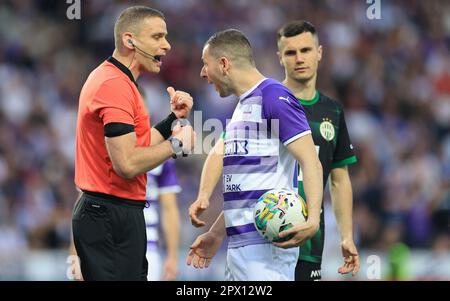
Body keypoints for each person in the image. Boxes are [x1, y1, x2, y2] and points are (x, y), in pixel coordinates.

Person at [186, 29, 323, 281]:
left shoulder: (274, 97)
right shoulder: (243, 107)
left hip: (266, 251)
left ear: (224, 64)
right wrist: (217, 232)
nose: (203, 73)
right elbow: (230, 166)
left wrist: (313, 218)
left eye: (206, 65)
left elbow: (310, 161)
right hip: (240, 248)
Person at [72, 6, 195, 281]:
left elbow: (138, 145)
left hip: (114, 213)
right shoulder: (113, 85)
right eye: (157, 36)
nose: (167, 44)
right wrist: (176, 146)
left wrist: (171, 121)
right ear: (130, 41)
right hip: (109, 215)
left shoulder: (120, 82)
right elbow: (127, 164)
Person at [277, 20, 359, 280]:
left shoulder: (332, 111)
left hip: (310, 244)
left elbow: (339, 178)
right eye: (290, 52)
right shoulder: (267, 102)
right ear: (279, 57)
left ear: (319, 53)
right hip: (266, 239)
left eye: (306, 50)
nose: (299, 58)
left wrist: (346, 236)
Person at [144, 160, 181, 281]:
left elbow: (169, 208)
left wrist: (172, 256)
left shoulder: (162, 153)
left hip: (147, 246)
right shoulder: (102, 143)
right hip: (106, 242)